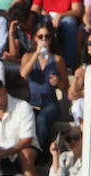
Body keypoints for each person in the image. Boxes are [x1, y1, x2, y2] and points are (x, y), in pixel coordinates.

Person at [19, 23, 66, 151]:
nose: (44, 39)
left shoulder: (57, 59)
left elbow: (66, 86)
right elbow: (23, 73)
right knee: (29, 118)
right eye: (40, 36)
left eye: (47, 36)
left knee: (42, 119)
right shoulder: (28, 56)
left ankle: (43, 153)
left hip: (50, 101)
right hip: (33, 99)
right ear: (35, 38)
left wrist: (58, 82)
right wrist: (37, 54)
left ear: (51, 38)